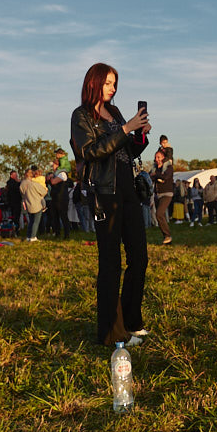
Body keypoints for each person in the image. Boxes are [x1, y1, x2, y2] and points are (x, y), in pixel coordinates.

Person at [70, 62, 151, 347]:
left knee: (139, 256)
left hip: (128, 188)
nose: (112, 88)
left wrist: (139, 134)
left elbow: (126, 150)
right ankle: (111, 332)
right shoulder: (81, 115)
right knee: (111, 262)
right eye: (107, 83)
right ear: (93, 83)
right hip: (105, 192)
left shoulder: (114, 113)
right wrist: (126, 128)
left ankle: (131, 321)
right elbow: (89, 151)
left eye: (114, 83)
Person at [151, 149, 173, 245]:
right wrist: (156, 175)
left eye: (158, 157)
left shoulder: (169, 167)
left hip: (167, 193)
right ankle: (166, 237)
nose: (156, 159)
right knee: (160, 216)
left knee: (159, 214)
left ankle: (167, 235)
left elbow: (166, 177)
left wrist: (156, 175)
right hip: (158, 194)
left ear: (163, 157)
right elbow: (150, 177)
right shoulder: (154, 168)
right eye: (155, 157)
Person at [22, 167, 47, 241]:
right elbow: (44, 192)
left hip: (29, 204)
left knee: (31, 222)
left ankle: (28, 236)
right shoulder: (35, 184)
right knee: (36, 222)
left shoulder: (24, 184)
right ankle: (33, 236)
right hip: (37, 205)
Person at [46, 165, 71, 239]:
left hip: (62, 199)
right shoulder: (55, 175)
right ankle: (57, 233)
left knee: (64, 217)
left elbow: (53, 182)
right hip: (54, 198)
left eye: (53, 165)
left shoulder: (62, 174)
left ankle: (66, 234)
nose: (52, 166)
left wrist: (51, 177)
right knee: (55, 217)